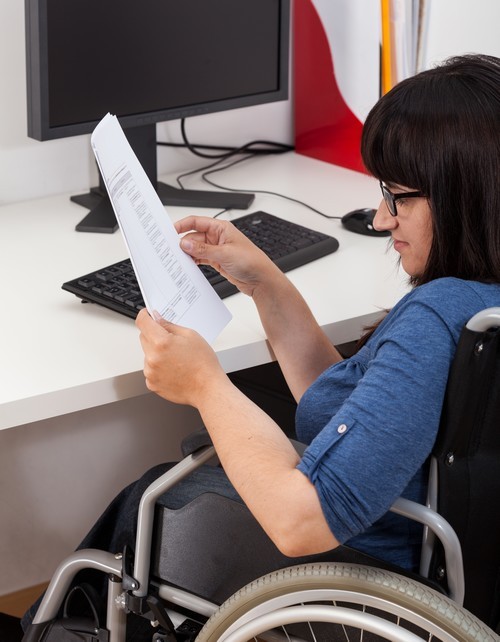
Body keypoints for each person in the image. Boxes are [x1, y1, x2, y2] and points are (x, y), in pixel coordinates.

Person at [22, 53, 500, 635]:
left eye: (399, 197)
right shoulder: (477, 303)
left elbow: (301, 523)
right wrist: (265, 283)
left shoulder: (434, 318)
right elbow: (356, 412)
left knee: (147, 497)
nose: (379, 219)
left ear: (467, 196)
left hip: (359, 574)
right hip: (429, 548)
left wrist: (204, 385)